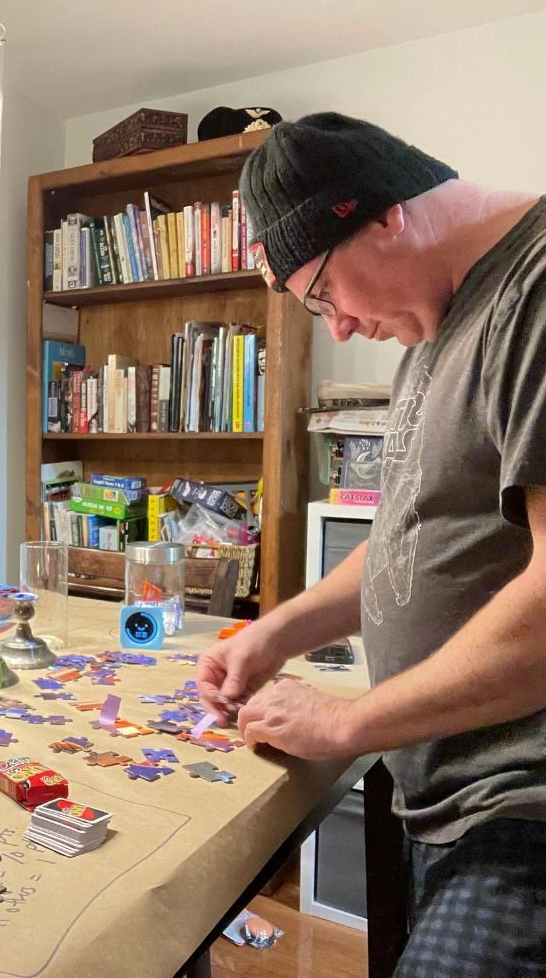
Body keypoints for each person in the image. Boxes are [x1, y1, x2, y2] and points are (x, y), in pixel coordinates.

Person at [197, 112, 546, 975]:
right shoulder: (434, 321)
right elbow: (405, 536)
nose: (339, 326)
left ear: (384, 215)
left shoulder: (533, 291)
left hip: (526, 812)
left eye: (322, 293)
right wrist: (278, 632)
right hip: (451, 795)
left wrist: (349, 718)